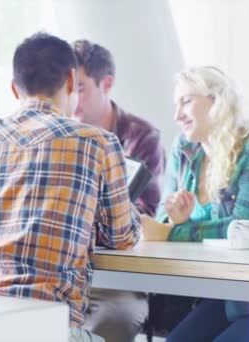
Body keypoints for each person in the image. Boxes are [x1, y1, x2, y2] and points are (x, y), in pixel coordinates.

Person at [0, 32, 140, 342]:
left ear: (13, 87)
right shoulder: (97, 142)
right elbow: (122, 237)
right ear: (71, 81)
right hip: (52, 327)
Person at [142, 66, 249, 341]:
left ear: (216, 101)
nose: (177, 115)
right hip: (222, 294)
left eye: (186, 101)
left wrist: (173, 232)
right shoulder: (184, 148)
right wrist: (174, 219)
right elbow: (162, 218)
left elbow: (243, 229)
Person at [72, 39, 165, 342]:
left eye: (81, 87)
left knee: (110, 323)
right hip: (68, 274)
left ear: (106, 84)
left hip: (120, 280)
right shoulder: (62, 134)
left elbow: (141, 217)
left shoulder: (141, 137)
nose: (72, 98)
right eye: (68, 87)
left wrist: (82, 220)